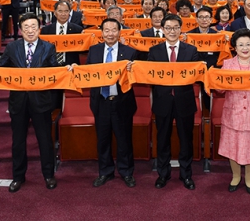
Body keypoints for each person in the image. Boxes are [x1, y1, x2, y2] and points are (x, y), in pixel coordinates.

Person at [0, 13, 58, 193]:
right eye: (26, 27)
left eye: (33, 26)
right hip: (18, 101)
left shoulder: (49, 47)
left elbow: (55, 71)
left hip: (41, 101)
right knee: (18, 141)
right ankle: (18, 177)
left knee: (45, 141)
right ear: (20, 29)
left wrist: (65, 69)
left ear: (39, 28)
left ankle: (49, 175)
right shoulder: (12, 47)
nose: (30, 30)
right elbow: (1, 68)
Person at [148, 14, 200, 190]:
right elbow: (149, 76)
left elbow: (195, 76)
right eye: (168, 28)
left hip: (184, 101)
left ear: (181, 29)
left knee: (186, 139)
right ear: (162, 30)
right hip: (163, 101)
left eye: (175, 27)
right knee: (162, 139)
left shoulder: (191, 50)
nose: (172, 31)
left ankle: (186, 175)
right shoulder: (154, 51)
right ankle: (163, 174)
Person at [85, 18, 138, 188]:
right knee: (103, 139)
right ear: (101, 32)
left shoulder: (130, 52)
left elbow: (135, 77)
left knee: (124, 140)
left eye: (113, 30)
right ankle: (105, 171)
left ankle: (126, 172)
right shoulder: (93, 51)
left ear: (119, 31)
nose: (110, 34)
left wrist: (133, 68)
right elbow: (87, 74)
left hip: (122, 102)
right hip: (101, 102)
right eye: (106, 30)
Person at [218, 29, 250, 195]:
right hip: (233, 113)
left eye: (248, 44)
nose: (245, 47)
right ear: (234, 47)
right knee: (233, 148)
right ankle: (235, 176)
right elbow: (219, 90)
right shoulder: (227, 65)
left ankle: (249, 178)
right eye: (240, 44)